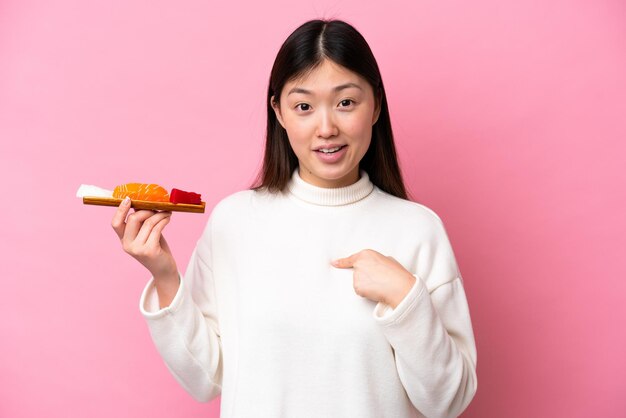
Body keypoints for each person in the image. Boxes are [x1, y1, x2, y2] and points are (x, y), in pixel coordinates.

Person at [111, 19, 477, 418]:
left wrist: (407, 300)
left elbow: (448, 401)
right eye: (304, 106)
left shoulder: (418, 230)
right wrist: (164, 276)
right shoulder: (235, 221)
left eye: (346, 103)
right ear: (279, 112)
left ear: (376, 105)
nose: (326, 128)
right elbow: (207, 378)